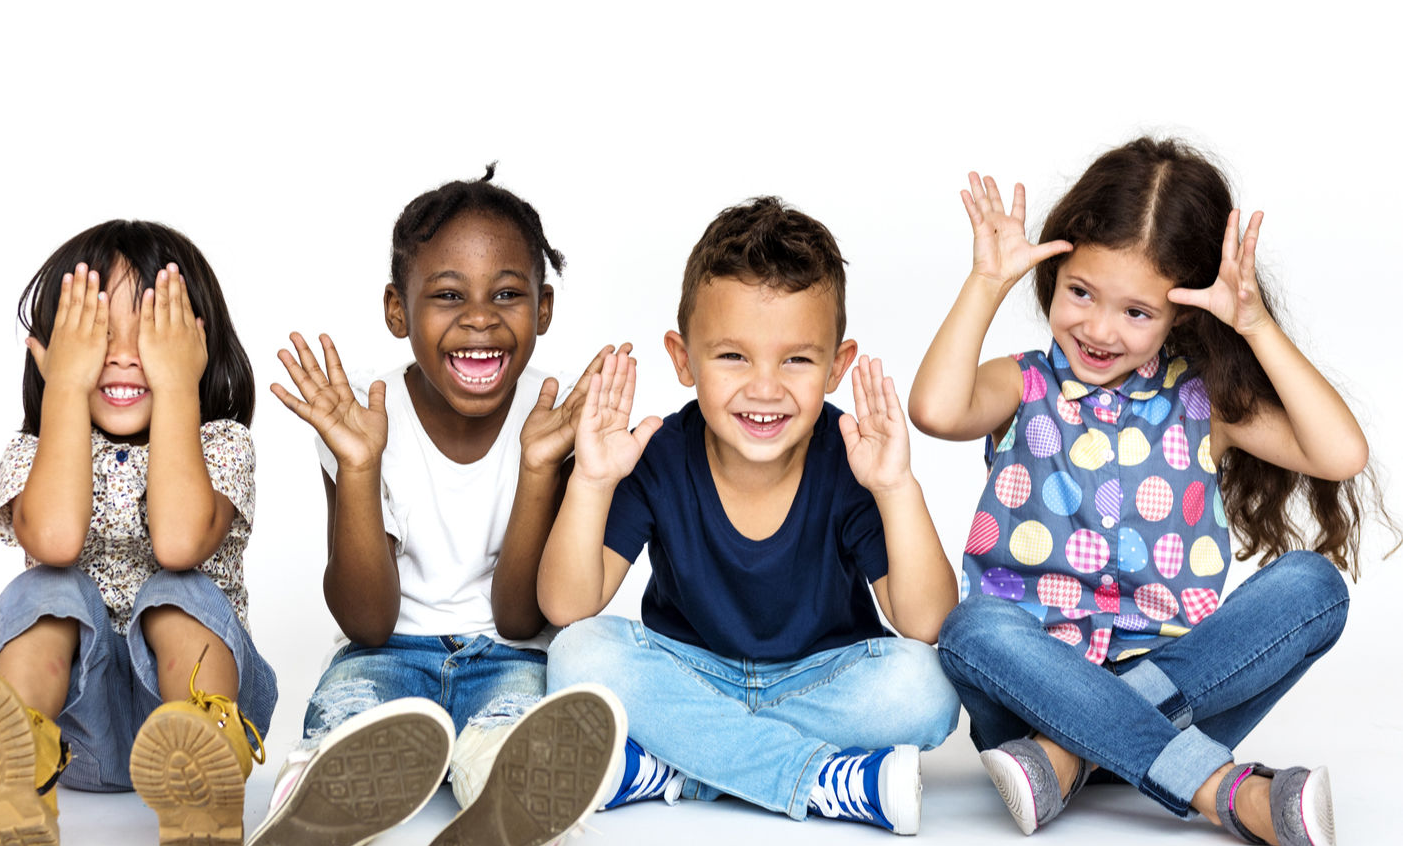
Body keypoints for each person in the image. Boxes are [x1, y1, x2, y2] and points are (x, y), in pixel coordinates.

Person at [909, 138, 1385, 845]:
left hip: (1182, 695)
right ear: (1054, 275)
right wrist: (985, 282)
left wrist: (1253, 323)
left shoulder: (1205, 405)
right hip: (1030, 696)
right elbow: (937, 410)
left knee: (1314, 585)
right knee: (972, 630)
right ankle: (1221, 789)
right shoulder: (1023, 384)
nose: (1098, 329)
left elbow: (1341, 454)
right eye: (1080, 293)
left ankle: (1068, 759)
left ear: (1183, 315)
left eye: (1137, 312)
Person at [540, 196, 960, 836]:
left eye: (796, 359)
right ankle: (823, 781)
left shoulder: (849, 457)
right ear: (683, 360)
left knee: (927, 687)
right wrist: (593, 482)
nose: (765, 388)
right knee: (575, 655)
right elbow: (568, 608)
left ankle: (680, 769)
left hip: (819, 680)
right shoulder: (659, 456)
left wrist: (897, 486)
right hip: (691, 673)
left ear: (836, 367)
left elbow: (924, 622)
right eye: (733, 356)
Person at [256, 166, 625, 846]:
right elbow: (367, 619)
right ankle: (312, 805)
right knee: (350, 718)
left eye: (508, 294)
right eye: (448, 294)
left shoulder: (556, 416)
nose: (480, 318)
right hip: (386, 651)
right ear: (398, 310)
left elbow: (519, 617)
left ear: (544, 307)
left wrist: (541, 468)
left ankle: (507, 808)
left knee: (517, 733)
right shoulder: (362, 414)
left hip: (511, 654)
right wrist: (358, 465)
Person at [0, 221, 277, 846]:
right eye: (95, 335)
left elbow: (178, 543)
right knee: (47, 588)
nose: (123, 356)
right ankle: (12, 762)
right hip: (78, 742)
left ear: (195, 345)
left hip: (193, 727)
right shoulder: (33, 453)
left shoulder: (221, 444)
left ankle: (204, 767)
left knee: (175, 591)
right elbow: (55, 540)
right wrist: (65, 386)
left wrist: (177, 384)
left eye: (151, 334)